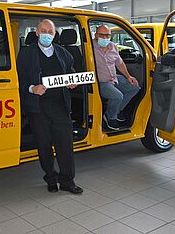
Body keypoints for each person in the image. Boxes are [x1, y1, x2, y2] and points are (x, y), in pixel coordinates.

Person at [17, 19, 83, 195]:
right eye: (43, 31)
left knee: (65, 145)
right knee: (44, 145)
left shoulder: (64, 53)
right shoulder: (25, 54)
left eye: (50, 32)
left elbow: (71, 71)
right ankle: (51, 178)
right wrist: (32, 88)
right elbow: (19, 80)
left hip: (60, 105)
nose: (47, 34)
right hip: (38, 108)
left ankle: (68, 180)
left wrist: (72, 81)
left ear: (55, 35)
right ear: (37, 33)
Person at [93, 25, 140, 130]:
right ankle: (110, 118)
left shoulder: (113, 46)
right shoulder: (89, 47)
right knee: (118, 96)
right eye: (102, 35)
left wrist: (128, 76)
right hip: (100, 82)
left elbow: (120, 63)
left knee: (135, 87)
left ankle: (115, 111)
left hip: (114, 78)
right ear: (96, 35)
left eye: (108, 35)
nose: (105, 38)